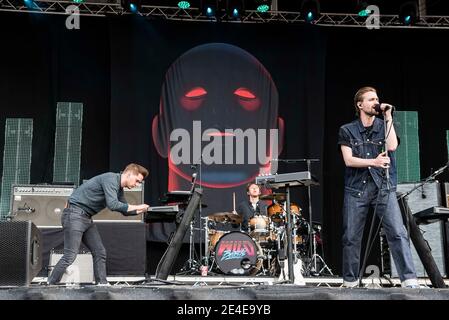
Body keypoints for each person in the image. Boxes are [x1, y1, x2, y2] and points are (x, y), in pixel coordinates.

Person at [338, 86, 419, 288]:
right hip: (356, 190)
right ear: (360, 104)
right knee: (351, 237)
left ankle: (409, 280)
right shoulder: (347, 130)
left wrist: (389, 116)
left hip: (383, 187)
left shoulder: (384, 125)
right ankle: (349, 282)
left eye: (377, 98)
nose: (376, 102)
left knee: (397, 233)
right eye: (371, 99)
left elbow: (392, 146)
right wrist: (373, 162)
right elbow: (348, 160)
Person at [47, 163, 150, 286]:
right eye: (137, 181)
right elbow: (113, 205)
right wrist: (139, 206)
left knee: (100, 252)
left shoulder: (119, 189)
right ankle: (51, 283)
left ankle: (102, 283)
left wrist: (143, 210)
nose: (137, 185)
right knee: (70, 255)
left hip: (85, 218)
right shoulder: (111, 179)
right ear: (129, 174)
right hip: (74, 215)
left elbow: (125, 211)